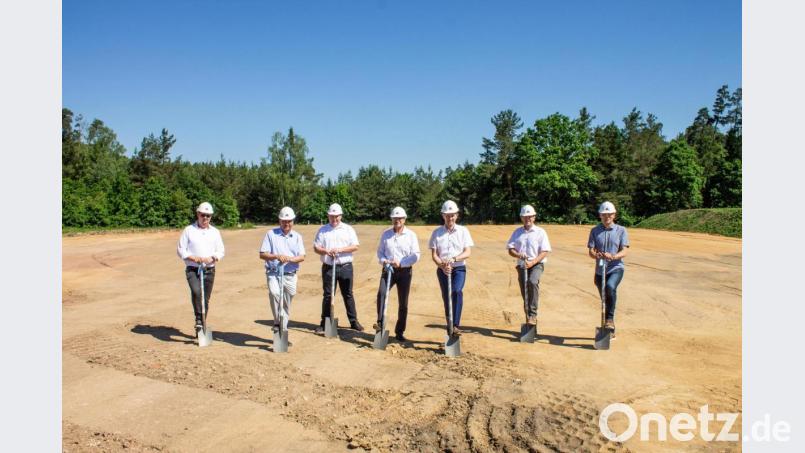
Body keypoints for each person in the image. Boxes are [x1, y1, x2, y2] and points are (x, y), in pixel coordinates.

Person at [313, 203, 364, 332]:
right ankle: (324, 322)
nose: (334, 219)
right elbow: (316, 247)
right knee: (328, 295)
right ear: (328, 216)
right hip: (329, 268)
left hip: (346, 267)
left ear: (341, 216)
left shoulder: (348, 229)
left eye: (337, 216)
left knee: (348, 294)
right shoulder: (323, 230)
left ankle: (353, 322)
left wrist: (340, 250)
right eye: (332, 216)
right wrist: (326, 251)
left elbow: (355, 246)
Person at [176, 202, 225, 335]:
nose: (205, 218)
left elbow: (221, 250)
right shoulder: (189, 230)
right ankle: (198, 319)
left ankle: (202, 323)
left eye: (208, 216)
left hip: (209, 269)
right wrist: (193, 258)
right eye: (203, 215)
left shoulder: (215, 232)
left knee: (205, 298)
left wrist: (213, 257)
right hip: (193, 269)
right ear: (198, 214)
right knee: (197, 292)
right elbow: (180, 250)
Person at [374, 206, 421, 342]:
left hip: (405, 271)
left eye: (400, 218)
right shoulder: (386, 234)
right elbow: (380, 252)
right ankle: (380, 324)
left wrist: (401, 263)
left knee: (403, 303)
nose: (397, 220)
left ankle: (400, 331)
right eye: (395, 218)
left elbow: (416, 255)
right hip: (388, 270)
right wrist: (384, 261)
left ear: (404, 219)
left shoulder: (411, 235)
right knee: (381, 294)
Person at [429, 200, 474, 335]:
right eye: (448, 215)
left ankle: (455, 325)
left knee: (456, 291)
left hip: (459, 268)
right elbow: (434, 255)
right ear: (443, 215)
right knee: (446, 297)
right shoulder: (436, 233)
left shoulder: (463, 231)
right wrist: (442, 265)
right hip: (442, 270)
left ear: (457, 215)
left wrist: (454, 259)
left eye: (453, 215)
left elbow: (467, 252)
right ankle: (449, 323)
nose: (450, 218)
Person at [259, 207, 305, 337]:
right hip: (273, 272)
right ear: (279, 221)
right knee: (274, 293)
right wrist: (276, 256)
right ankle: (278, 323)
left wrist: (290, 259)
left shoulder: (297, 237)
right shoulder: (271, 234)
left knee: (288, 299)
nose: (287, 224)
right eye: (284, 221)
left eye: (289, 221)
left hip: (290, 274)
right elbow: (262, 254)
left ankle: (282, 323)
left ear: (293, 221)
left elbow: (302, 257)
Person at [587, 201, 630, 334]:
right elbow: (591, 251)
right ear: (600, 215)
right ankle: (609, 329)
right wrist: (597, 255)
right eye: (604, 214)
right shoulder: (595, 231)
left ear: (614, 215)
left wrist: (614, 256)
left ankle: (610, 319)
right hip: (600, 270)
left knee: (610, 287)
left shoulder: (621, 230)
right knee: (605, 298)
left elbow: (625, 251)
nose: (607, 217)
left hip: (616, 267)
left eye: (610, 214)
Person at [506, 204, 551, 330]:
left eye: (530, 216)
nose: (528, 219)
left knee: (532, 282)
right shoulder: (517, 232)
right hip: (521, 265)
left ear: (534, 217)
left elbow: (545, 251)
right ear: (521, 218)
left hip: (536, 264)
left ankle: (533, 315)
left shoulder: (540, 232)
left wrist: (532, 262)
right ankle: (529, 319)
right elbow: (510, 249)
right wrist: (518, 254)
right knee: (524, 291)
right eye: (525, 217)